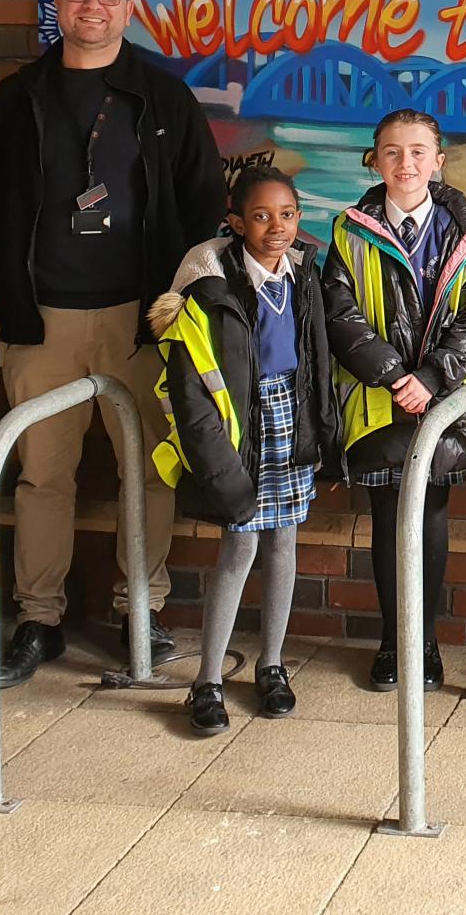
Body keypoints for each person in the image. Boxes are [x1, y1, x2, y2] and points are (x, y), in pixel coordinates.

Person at [0, 0, 226, 687]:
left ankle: (140, 612)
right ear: (59, 4)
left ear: (128, 8)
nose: (92, 6)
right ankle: (38, 618)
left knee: (146, 474)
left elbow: (203, 198)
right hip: (43, 318)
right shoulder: (19, 96)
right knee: (39, 474)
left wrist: (175, 301)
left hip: (138, 319)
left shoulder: (161, 95)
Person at [151, 167, 338, 736]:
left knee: (284, 543)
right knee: (239, 548)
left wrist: (323, 433)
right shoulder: (208, 285)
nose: (275, 227)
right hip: (241, 430)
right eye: (260, 216)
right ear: (235, 222)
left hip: (291, 421)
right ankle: (207, 680)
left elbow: (318, 360)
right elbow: (193, 392)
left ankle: (272, 665)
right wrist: (220, 472)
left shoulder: (305, 273)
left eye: (286, 214)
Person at [323, 109, 466, 691]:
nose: (406, 163)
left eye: (419, 151)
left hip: (446, 399)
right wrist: (395, 375)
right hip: (380, 400)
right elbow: (340, 314)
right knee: (387, 515)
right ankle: (392, 642)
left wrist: (431, 377)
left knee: (431, 511)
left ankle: (424, 644)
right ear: (374, 159)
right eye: (393, 152)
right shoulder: (349, 230)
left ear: (439, 161)